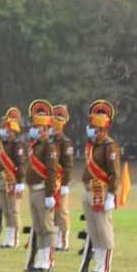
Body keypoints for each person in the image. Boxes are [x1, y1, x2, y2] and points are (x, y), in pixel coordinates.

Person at [80, 100, 121, 272]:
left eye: (92, 126)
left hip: (102, 192)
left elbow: (115, 173)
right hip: (89, 191)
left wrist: (111, 195)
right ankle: (97, 264)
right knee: (94, 230)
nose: (89, 129)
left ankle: (104, 267)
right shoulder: (92, 146)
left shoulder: (109, 146)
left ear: (101, 128)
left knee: (103, 229)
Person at [24, 100, 59, 272]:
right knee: (38, 228)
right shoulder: (34, 145)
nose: (34, 129)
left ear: (45, 129)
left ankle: (48, 261)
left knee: (47, 227)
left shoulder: (49, 146)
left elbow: (52, 171)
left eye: (37, 126)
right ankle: (41, 259)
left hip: (43, 189)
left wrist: (50, 194)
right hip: (33, 190)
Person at [0, 108, 26, 249]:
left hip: (12, 180)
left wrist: (20, 182)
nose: (3, 131)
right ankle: (8, 236)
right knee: (6, 209)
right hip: (1, 179)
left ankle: (14, 238)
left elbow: (20, 164)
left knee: (13, 209)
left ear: (12, 131)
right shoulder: (2, 144)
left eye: (6, 129)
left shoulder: (17, 144)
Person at [52, 105, 75, 250]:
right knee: (53, 212)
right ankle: (54, 239)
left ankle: (64, 240)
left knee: (62, 212)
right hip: (51, 181)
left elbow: (68, 165)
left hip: (61, 181)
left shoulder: (65, 142)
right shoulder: (50, 141)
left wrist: (65, 184)